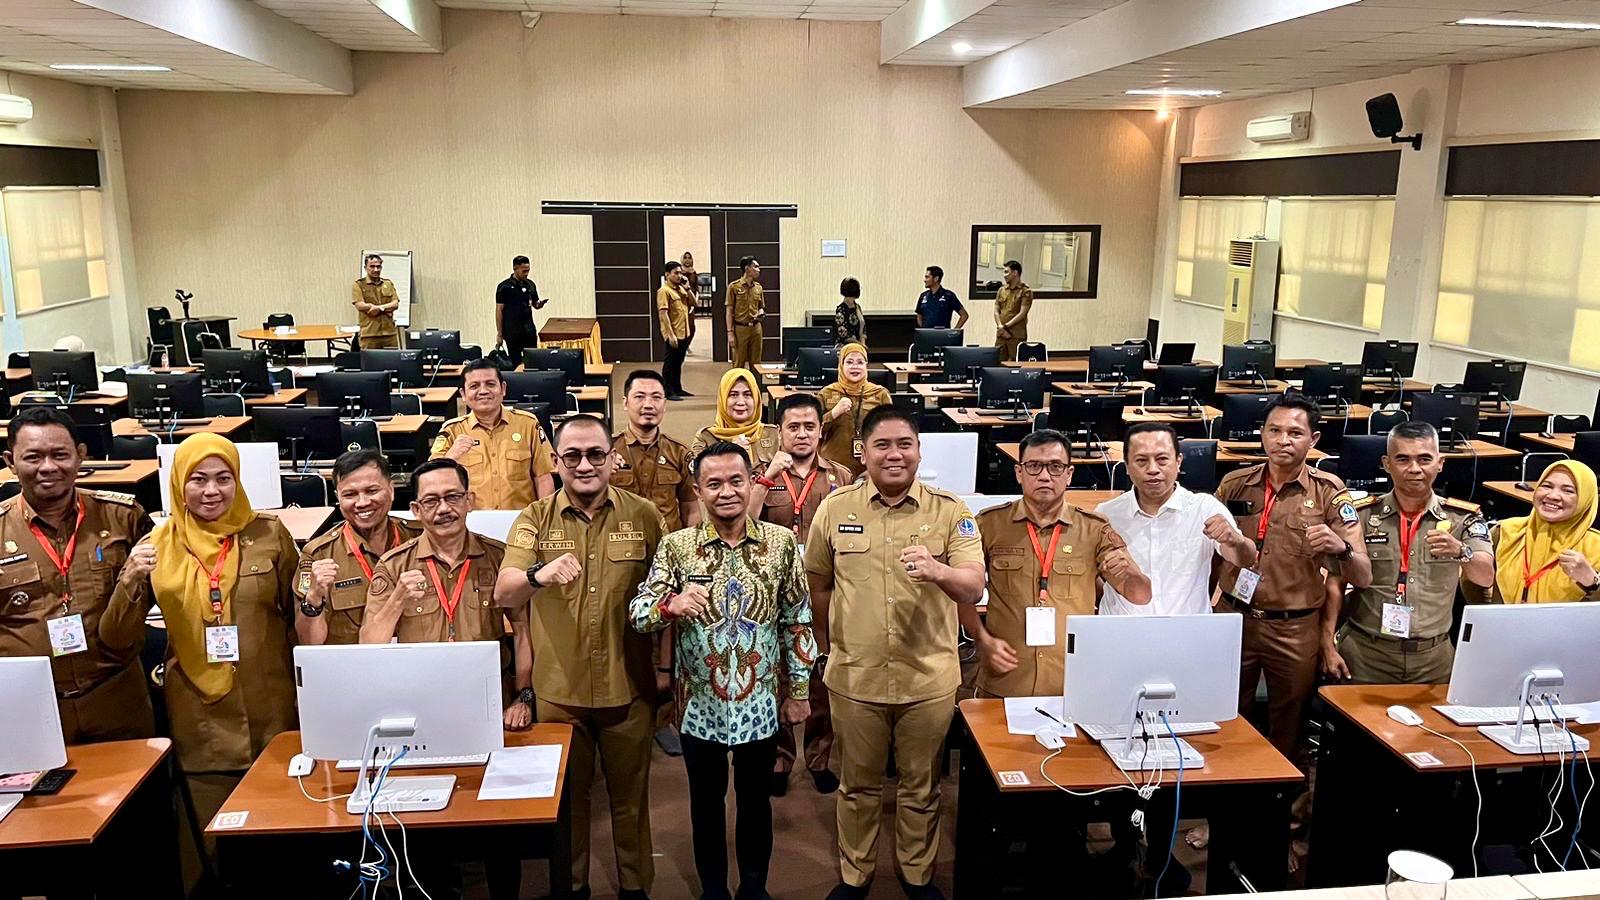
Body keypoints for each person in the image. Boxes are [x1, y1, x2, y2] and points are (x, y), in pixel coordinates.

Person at [805, 405, 986, 900]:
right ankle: (855, 876)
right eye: (881, 445)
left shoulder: (950, 511)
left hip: (927, 678)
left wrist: (939, 570)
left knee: (920, 787)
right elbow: (819, 585)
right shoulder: (835, 508)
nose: (894, 454)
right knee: (857, 786)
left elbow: (973, 586)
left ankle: (916, 874)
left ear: (919, 451)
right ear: (862, 453)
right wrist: (826, 648)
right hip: (855, 677)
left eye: (904, 444)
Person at [630, 441, 817, 900]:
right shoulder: (677, 547)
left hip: (760, 704)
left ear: (752, 482)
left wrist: (798, 691)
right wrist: (670, 606)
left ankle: (754, 886)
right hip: (700, 708)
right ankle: (712, 889)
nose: (727, 492)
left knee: (756, 803)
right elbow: (638, 613)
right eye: (714, 483)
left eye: (736, 481)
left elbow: (797, 620)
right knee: (705, 805)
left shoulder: (780, 544)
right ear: (698, 489)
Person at [495, 414, 666, 900]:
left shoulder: (644, 515)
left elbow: (667, 596)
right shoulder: (534, 519)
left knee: (630, 802)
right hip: (559, 693)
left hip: (628, 687)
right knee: (568, 804)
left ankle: (635, 888)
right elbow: (505, 591)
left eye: (595, 454)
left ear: (613, 458)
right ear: (556, 461)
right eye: (572, 456)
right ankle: (571, 888)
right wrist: (538, 575)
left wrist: (666, 669)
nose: (585, 465)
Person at [148, 434, 300, 840]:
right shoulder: (156, 546)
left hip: (273, 709)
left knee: (283, 835)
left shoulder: (269, 533)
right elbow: (118, 637)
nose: (211, 490)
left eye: (223, 478)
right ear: (179, 483)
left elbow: (296, 617)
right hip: (201, 721)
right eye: (198, 479)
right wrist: (129, 581)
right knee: (211, 843)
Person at [1215, 393, 1370, 759]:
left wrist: (1340, 548)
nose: (1283, 440)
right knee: (1224, 719)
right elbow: (1208, 553)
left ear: (1313, 439)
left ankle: (1287, 797)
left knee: (1290, 729)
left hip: (1294, 628)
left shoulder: (1329, 492)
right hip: (1233, 618)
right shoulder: (1235, 483)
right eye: (1275, 430)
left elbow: (1362, 575)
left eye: (1295, 433)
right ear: (1262, 434)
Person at [0, 405, 156, 743]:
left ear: (81, 455)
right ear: (10, 462)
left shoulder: (124, 517)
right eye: (33, 457)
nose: (48, 467)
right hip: (30, 708)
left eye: (60, 454)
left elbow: (156, 593)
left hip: (115, 699)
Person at [962, 429, 1152, 698]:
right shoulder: (990, 524)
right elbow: (959, 591)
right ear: (1019, 473)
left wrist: (1132, 574)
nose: (1044, 476)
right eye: (1034, 466)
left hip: (1072, 683)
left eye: (1055, 467)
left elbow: (1140, 596)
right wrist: (981, 639)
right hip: (1005, 680)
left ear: (1069, 474)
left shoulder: (1094, 529)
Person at [359, 459, 533, 727]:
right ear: (416, 510)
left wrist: (524, 697)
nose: (443, 509)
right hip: (418, 701)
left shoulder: (499, 558)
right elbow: (369, 647)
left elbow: (523, 630)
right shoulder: (394, 565)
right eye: (431, 501)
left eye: (452, 497)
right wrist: (397, 600)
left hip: (489, 699)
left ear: (469, 501)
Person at [1321, 422, 1494, 684]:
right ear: (1387, 464)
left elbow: (1485, 577)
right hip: (1366, 655)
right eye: (1403, 459)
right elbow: (1335, 582)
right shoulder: (1361, 515)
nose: (1414, 468)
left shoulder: (1462, 518)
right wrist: (1327, 645)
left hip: (1434, 660)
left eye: (1424, 459)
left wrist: (1461, 551)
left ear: (1440, 463)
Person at [748, 392, 853, 796]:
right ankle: (779, 759)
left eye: (810, 426)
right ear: (779, 432)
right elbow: (743, 524)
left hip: (825, 594)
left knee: (821, 676)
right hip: (774, 598)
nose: (802, 434)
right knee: (776, 676)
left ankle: (819, 758)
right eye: (793, 426)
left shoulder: (840, 477)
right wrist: (766, 479)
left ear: (821, 430)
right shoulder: (762, 474)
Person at [610, 368, 700, 757]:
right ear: (625, 403)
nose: (648, 405)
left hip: (668, 558)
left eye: (656, 397)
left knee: (669, 636)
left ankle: (665, 718)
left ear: (665, 404)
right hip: (620, 557)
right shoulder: (609, 452)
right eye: (640, 397)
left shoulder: (679, 453)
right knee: (624, 633)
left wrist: (690, 551)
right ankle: (627, 713)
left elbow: (690, 507)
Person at [1096, 423, 1258, 616]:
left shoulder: (1204, 508)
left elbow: (1245, 559)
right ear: (1127, 466)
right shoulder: (1105, 515)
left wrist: (1235, 540)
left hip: (1187, 628)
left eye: (1162, 459)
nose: (1153, 469)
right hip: (1122, 628)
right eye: (1141, 461)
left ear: (1178, 461)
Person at [292, 449, 420, 645]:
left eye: (372, 491)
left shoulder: (420, 540)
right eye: (350, 494)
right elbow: (309, 643)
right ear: (338, 498)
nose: (362, 503)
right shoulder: (318, 554)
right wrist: (314, 596)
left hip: (418, 658)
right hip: (351, 661)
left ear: (392, 489)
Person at [430, 358, 557, 509]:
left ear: (503, 388)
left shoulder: (527, 424)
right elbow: (431, 481)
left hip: (521, 518)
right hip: (471, 519)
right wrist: (450, 458)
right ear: (463, 394)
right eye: (474, 386)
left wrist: (545, 517)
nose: (483, 391)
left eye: (490, 384)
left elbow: (542, 477)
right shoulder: (452, 430)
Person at [1485, 459, 1600, 603]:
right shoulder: (1504, 531)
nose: (1552, 496)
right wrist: (1487, 611)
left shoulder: (1596, 547)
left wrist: (1591, 581)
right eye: (1546, 486)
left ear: (1585, 499)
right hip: (1503, 618)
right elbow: (1473, 582)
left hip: (1567, 619)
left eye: (1568, 491)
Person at [815, 342, 890, 479]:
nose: (855, 367)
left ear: (866, 366)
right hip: (834, 468)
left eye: (860, 362)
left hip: (870, 468)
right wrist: (834, 413)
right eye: (849, 362)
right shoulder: (827, 393)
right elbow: (814, 431)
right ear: (841, 365)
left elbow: (891, 431)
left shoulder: (880, 394)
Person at [689, 368, 780, 468]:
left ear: (756, 399)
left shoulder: (773, 435)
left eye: (747, 395)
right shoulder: (706, 438)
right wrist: (727, 457)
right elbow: (698, 475)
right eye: (733, 395)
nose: (741, 402)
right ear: (722, 399)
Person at [496, 254, 549, 363]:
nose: (526, 273)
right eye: (523, 271)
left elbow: (534, 303)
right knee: (516, 362)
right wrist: (499, 334)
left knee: (532, 361)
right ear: (515, 268)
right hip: (512, 332)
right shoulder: (504, 287)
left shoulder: (530, 284)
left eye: (528, 270)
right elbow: (499, 311)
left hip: (529, 330)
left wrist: (539, 304)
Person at [657, 261, 695, 400]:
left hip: (684, 332)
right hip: (673, 333)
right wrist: (670, 335)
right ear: (667, 274)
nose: (679, 276)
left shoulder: (680, 289)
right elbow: (663, 314)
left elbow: (694, 303)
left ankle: (677, 388)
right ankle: (668, 391)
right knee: (670, 363)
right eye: (676, 273)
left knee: (678, 362)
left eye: (680, 273)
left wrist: (688, 288)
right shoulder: (664, 291)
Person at [351, 253, 400, 349]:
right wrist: (386, 308)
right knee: (370, 359)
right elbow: (360, 305)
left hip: (389, 334)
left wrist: (379, 308)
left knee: (392, 358)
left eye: (378, 266)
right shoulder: (359, 285)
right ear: (365, 268)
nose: (376, 270)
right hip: (369, 334)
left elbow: (395, 304)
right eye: (372, 266)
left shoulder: (388, 283)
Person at [728, 255, 765, 373]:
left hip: (756, 328)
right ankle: (737, 385)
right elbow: (729, 311)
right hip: (740, 329)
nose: (759, 270)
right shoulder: (734, 287)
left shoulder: (758, 288)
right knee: (738, 363)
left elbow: (761, 307)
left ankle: (755, 385)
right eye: (756, 267)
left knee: (756, 364)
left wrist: (760, 312)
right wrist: (730, 333)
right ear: (747, 268)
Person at [993, 259, 1034, 361]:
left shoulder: (1025, 291)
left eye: (1007, 272)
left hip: (1016, 335)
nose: (1004, 275)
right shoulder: (1002, 290)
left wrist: (1006, 326)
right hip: (1001, 334)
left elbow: (1022, 313)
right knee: (997, 361)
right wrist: (1000, 326)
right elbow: (996, 309)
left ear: (1015, 273)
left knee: (1016, 363)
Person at [914, 265, 967, 331]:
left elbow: (964, 315)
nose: (924, 280)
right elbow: (919, 316)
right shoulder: (923, 296)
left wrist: (954, 331)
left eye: (927, 277)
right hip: (926, 335)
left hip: (942, 335)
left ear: (936, 279)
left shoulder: (948, 295)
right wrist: (924, 330)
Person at [834, 278, 865, 346]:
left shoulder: (858, 307)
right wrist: (860, 345)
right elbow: (843, 334)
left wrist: (863, 344)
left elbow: (863, 328)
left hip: (858, 346)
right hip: (845, 346)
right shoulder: (841, 309)